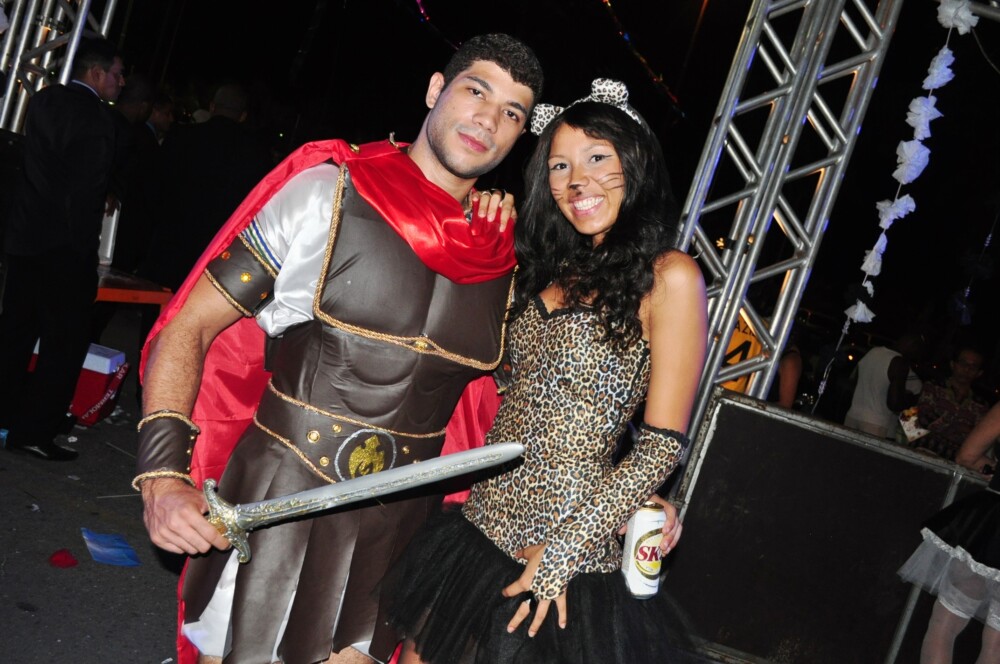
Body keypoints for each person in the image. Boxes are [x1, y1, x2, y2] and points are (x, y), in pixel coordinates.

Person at [133, 34, 544, 664]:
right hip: (278, 499)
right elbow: (191, 326)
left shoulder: (501, 259)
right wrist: (163, 478)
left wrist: (622, 493)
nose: (489, 119)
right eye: (476, 91)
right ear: (435, 90)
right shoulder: (328, 193)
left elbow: (533, 406)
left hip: (398, 534)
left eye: (512, 112)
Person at [386, 79, 708, 663]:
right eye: (560, 166)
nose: (577, 180)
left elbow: (662, 445)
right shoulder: (546, 268)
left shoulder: (670, 276)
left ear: (635, 164)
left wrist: (561, 554)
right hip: (477, 528)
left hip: (564, 554)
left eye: (597, 158)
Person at [0, 37, 125, 461]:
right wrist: (85, 251)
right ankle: (34, 431)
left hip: (25, 238)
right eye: (116, 73)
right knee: (63, 344)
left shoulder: (44, 100)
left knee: (15, 333)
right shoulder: (97, 117)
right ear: (96, 73)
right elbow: (84, 191)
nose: (121, 82)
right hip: (64, 248)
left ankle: (4, 414)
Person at [136, 83, 274, 293]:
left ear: (212, 107)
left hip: (171, 241)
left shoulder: (182, 136)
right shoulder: (256, 154)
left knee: (157, 301)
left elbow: (154, 186)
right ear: (242, 116)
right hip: (216, 254)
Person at [898, 400, 1000, 663]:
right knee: (997, 647)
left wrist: (992, 469)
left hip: (991, 528)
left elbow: (967, 456)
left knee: (945, 626)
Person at [913, 346, 989, 461]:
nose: (967, 369)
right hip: (918, 453)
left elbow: (978, 438)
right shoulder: (933, 387)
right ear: (953, 364)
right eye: (963, 363)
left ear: (979, 373)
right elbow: (922, 419)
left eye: (973, 366)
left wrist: (942, 424)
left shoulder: (981, 405)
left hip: (951, 463)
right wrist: (960, 428)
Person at [843, 333, 926, 440]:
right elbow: (895, 404)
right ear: (913, 347)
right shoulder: (900, 364)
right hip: (876, 424)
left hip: (852, 415)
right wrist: (912, 432)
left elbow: (853, 382)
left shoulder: (873, 352)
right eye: (917, 352)